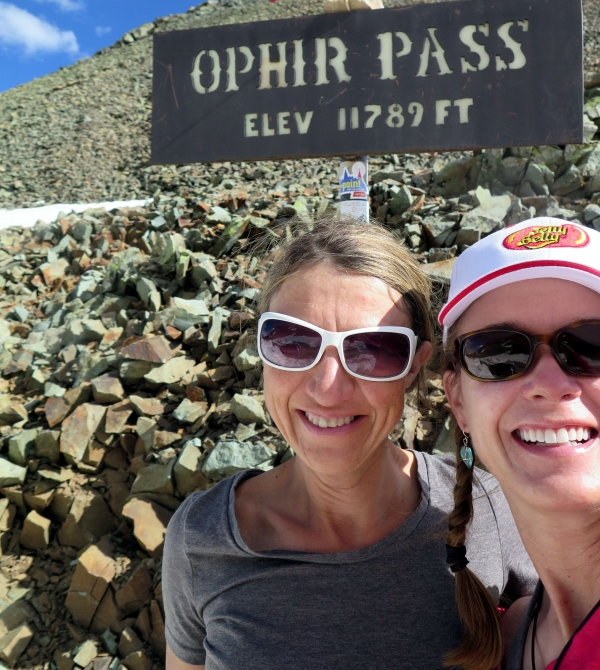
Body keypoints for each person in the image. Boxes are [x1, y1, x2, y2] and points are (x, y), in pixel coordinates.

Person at [163, 217, 536, 670]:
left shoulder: (491, 504)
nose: (328, 388)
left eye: (373, 349)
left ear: (416, 365)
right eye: (293, 342)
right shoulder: (199, 538)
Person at [440, 216, 600, 670]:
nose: (550, 384)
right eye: (499, 353)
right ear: (458, 400)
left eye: (593, 345)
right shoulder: (512, 638)